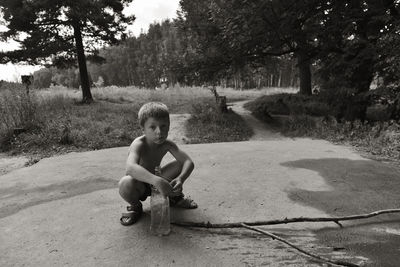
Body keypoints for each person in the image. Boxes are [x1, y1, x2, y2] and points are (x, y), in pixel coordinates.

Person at [119, 102, 198, 226]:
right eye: (152, 127)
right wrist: (156, 181)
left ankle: (174, 197)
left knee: (180, 163)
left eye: (163, 126)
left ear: (169, 126)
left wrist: (180, 179)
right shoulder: (139, 144)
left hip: (157, 183)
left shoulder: (168, 144)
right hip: (140, 185)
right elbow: (130, 168)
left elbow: (188, 162)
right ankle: (136, 206)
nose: (159, 132)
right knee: (125, 183)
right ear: (143, 129)